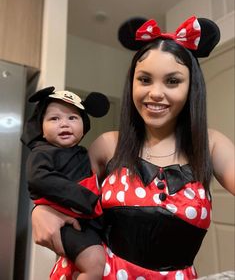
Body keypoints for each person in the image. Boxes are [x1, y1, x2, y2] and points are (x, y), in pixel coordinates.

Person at [31, 16, 235, 280]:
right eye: (145, 79)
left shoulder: (211, 145)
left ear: (191, 88)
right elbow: (64, 192)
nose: (156, 93)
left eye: (172, 81)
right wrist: (40, 209)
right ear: (132, 84)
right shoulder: (108, 144)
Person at [21, 87, 110, 279]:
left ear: (84, 126)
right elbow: (40, 179)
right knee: (95, 263)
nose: (64, 124)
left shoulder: (83, 153)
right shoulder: (41, 152)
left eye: (72, 118)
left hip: (85, 221)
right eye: (54, 118)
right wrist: (88, 200)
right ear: (41, 129)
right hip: (64, 221)